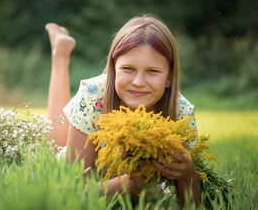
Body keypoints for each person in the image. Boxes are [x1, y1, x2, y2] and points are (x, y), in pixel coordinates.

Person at [45, 15, 201, 207]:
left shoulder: (181, 113)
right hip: (90, 182)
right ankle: (59, 56)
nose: (138, 82)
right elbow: (71, 191)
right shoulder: (93, 95)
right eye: (128, 68)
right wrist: (127, 184)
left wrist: (188, 174)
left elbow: (193, 205)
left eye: (152, 71)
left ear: (169, 77)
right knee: (55, 142)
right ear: (114, 67)